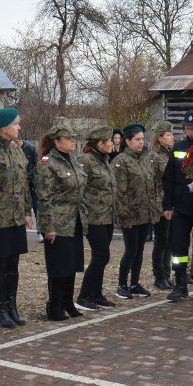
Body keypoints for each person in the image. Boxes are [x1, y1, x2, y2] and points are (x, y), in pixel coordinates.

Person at [0, 107, 33, 328]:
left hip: (16, 217)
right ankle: (0, 310)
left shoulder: (16, 150)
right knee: (0, 265)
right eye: (16, 124)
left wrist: (28, 211)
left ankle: (12, 306)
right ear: (3, 128)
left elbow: (24, 185)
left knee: (13, 264)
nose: (19, 127)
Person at [36, 124, 87, 321]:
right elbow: (44, 198)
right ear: (56, 142)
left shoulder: (72, 161)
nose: (73, 140)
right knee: (59, 267)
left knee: (71, 265)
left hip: (74, 221)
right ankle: (54, 306)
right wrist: (48, 227)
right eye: (68, 138)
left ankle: (67, 302)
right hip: (57, 223)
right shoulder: (47, 164)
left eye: (74, 137)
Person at [163, 110, 193, 303]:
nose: (190, 131)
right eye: (187, 128)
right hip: (182, 206)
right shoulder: (179, 147)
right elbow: (169, 179)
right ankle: (180, 285)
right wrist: (167, 205)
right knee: (178, 247)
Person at [113, 123, 157, 300]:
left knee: (139, 250)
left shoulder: (145, 158)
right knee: (130, 250)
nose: (141, 142)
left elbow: (151, 187)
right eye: (137, 139)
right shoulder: (120, 161)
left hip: (144, 214)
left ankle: (135, 283)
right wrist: (124, 216)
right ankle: (122, 285)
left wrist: (153, 212)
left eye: (142, 139)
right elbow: (119, 192)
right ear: (128, 141)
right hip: (130, 214)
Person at [77, 126, 118, 310]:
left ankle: (96, 294)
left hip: (107, 216)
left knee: (101, 256)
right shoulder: (85, 160)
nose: (112, 143)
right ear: (99, 143)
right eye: (109, 141)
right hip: (93, 217)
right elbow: (79, 189)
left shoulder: (104, 160)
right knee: (101, 255)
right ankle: (83, 296)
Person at [149, 120, 175, 290]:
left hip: (171, 202)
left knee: (170, 241)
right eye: (168, 135)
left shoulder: (170, 154)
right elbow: (150, 183)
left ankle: (166, 274)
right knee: (161, 241)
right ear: (159, 138)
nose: (172, 137)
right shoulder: (153, 156)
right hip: (159, 204)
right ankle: (159, 275)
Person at [14, 136, 40, 239]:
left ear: (18, 141)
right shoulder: (12, 150)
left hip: (31, 183)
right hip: (19, 184)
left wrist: (29, 177)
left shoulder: (31, 148)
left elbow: (37, 165)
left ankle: (40, 232)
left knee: (36, 207)